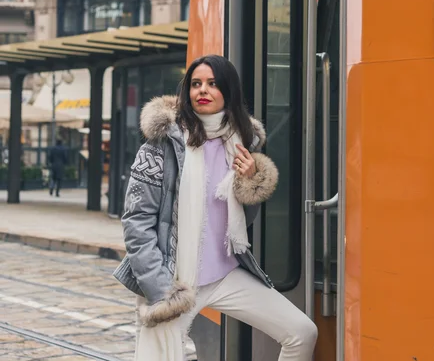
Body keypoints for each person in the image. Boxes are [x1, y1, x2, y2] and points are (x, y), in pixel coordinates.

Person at [113, 55, 317, 361]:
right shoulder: (160, 146)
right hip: (176, 281)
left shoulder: (241, 143)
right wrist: (161, 291)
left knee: (301, 332)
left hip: (224, 274)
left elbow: (242, 222)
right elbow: (135, 223)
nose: (202, 90)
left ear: (228, 91)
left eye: (212, 83)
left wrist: (249, 182)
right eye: (195, 84)